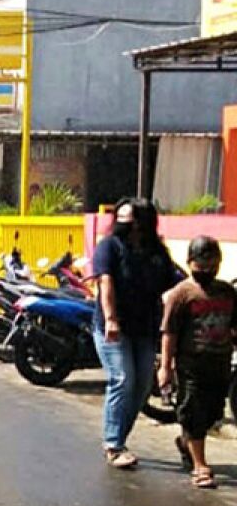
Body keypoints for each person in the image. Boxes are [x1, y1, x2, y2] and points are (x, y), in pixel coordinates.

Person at [92, 198, 181, 469]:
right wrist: (111, 319)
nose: (124, 224)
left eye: (129, 219)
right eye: (120, 218)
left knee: (142, 388)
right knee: (122, 379)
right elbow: (105, 282)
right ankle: (113, 444)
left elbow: (176, 280)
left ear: (143, 221)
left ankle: (119, 437)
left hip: (145, 327)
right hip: (113, 327)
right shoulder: (109, 246)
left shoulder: (155, 251)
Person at [157, 236, 237, 489]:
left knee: (213, 412)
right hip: (191, 363)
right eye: (202, 265)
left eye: (212, 265)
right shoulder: (181, 294)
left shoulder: (227, 292)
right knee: (193, 411)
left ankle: (186, 443)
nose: (207, 270)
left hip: (221, 361)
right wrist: (166, 367)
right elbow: (169, 332)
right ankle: (201, 466)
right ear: (190, 263)